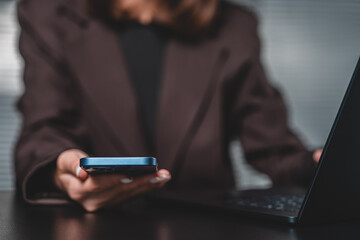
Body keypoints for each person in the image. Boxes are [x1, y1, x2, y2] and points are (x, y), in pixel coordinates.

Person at [15, 0, 320, 212]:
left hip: (209, 227)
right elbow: (44, 128)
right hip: (93, 224)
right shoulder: (46, 14)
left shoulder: (236, 25)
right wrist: (62, 172)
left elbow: (275, 149)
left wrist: (320, 163)